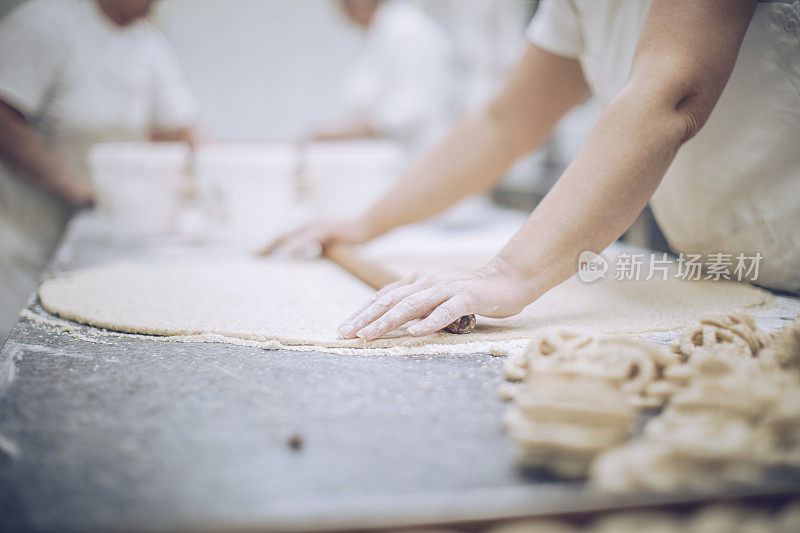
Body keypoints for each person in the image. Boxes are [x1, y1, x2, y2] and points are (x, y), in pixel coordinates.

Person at [264, 0, 800, 342]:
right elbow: (505, 121)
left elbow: (670, 95)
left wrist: (509, 273)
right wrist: (364, 226)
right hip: (715, 274)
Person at [0, 0, 197, 344]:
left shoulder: (146, 41)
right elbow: (5, 119)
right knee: (20, 355)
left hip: (94, 238)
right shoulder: (44, 24)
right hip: (22, 246)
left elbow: (180, 131)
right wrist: (82, 191)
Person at [312, 0, 459, 154]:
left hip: (419, 156)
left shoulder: (406, 30)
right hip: (401, 159)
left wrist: (348, 132)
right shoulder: (382, 32)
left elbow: (409, 108)